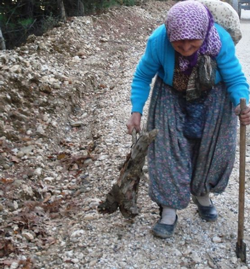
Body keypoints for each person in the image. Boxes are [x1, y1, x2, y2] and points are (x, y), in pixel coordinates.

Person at [126, 0, 250, 239]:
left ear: (204, 32)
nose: (184, 48)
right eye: (178, 42)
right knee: (166, 148)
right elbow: (142, 77)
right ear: (169, 34)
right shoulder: (158, 41)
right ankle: (169, 210)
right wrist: (136, 110)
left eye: (192, 43)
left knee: (213, 148)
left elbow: (235, 78)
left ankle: (201, 193)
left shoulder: (220, 40)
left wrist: (241, 103)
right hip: (170, 94)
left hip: (214, 95)